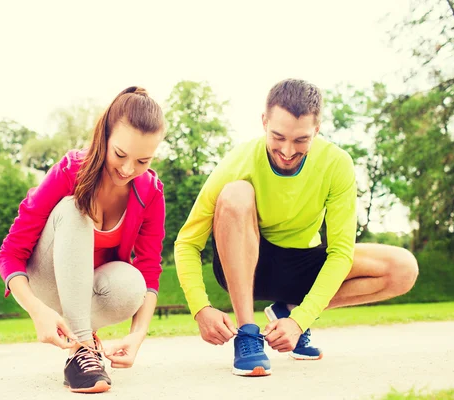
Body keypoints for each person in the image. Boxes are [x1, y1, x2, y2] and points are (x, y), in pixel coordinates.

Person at [174, 78, 419, 377]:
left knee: (403, 268)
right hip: (248, 262)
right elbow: (187, 242)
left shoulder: (337, 164)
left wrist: (299, 319)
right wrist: (200, 307)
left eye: (301, 140)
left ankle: (287, 311)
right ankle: (248, 334)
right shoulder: (238, 160)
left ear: (316, 129)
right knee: (235, 193)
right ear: (264, 122)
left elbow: (341, 252)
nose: (288, 151)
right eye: (278, 136)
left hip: (302, 265)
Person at [0, 86, 166, 393]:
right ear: (105, 137)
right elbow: (10, 253)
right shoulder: (71, 168)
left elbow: (151, 268)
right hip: (45, 280)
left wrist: (138, 335)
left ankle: (84, 339)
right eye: (120, 154)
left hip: (88, 290)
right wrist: (37, 310)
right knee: (75, 208)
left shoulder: (151, 192)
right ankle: (83, 350)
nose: (128, 169)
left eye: (143, 161)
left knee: (133, 283)